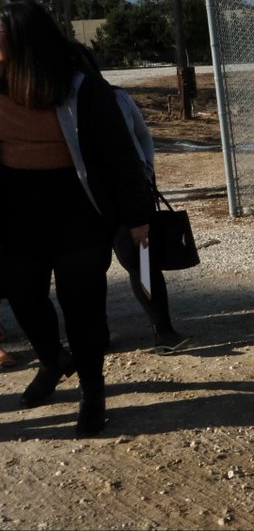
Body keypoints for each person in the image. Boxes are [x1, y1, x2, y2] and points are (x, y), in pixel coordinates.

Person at [0, 1, 153, 436]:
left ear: (23, 42)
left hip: (78, 215)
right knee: (23, 295)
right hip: (16, 217)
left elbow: (121, 157)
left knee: (83, 308)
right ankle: (53, 360)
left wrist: (138, 217)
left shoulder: (82, 89)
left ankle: (93, 391)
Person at [73, 44, 190, 354]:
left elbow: (142, 135)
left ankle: (163, 329)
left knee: (141, 262)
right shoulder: (56, 107)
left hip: (126, 196)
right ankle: (96, 334)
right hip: (84, 201)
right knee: (86, 271)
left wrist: (146, 170)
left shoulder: (116, 97)